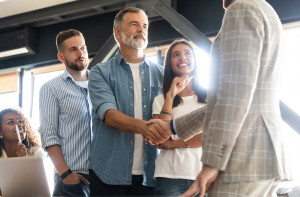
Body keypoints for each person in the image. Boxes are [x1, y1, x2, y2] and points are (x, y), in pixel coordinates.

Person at [148, 0, 291, 196]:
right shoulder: (266, 10)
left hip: (241, 159)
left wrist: (212, 162)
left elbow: (234, 95)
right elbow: (234, 99)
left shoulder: (241, 10)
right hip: (260, 156)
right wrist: (173, 127)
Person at [88, 7, 168, 196]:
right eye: (134, 24)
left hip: (150, 177)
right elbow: (109, 116)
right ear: (117, 32)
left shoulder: (162, 74)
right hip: (107, 174)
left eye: (145, 26)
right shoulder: (100, 72)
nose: (141, 30)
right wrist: (144, 127)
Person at [39, 29, 92, 197]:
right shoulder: (51, 89)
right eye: (73, 49)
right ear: (61, 57)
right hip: (73, 179)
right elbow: (49, 135)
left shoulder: (101, 85)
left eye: (82, 48)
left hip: (105, 177)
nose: (80, 53)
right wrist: (65, 174)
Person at [151, 39, 207, 196]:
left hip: (203, 175)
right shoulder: (160, 100)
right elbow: (160, 139)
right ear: (169, 63)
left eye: (188, 53)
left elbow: (212, 137)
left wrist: (175, 143)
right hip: (169, 177)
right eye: (176, 55)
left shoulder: (210, 97)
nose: (183, 58)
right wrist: (170, 96)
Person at [0, 108, 44, 196]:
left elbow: (37, 190)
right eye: (10, 122)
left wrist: (24, 163)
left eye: (20, 121)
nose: (19, 125)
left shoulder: (35, 153)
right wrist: (17, 165)